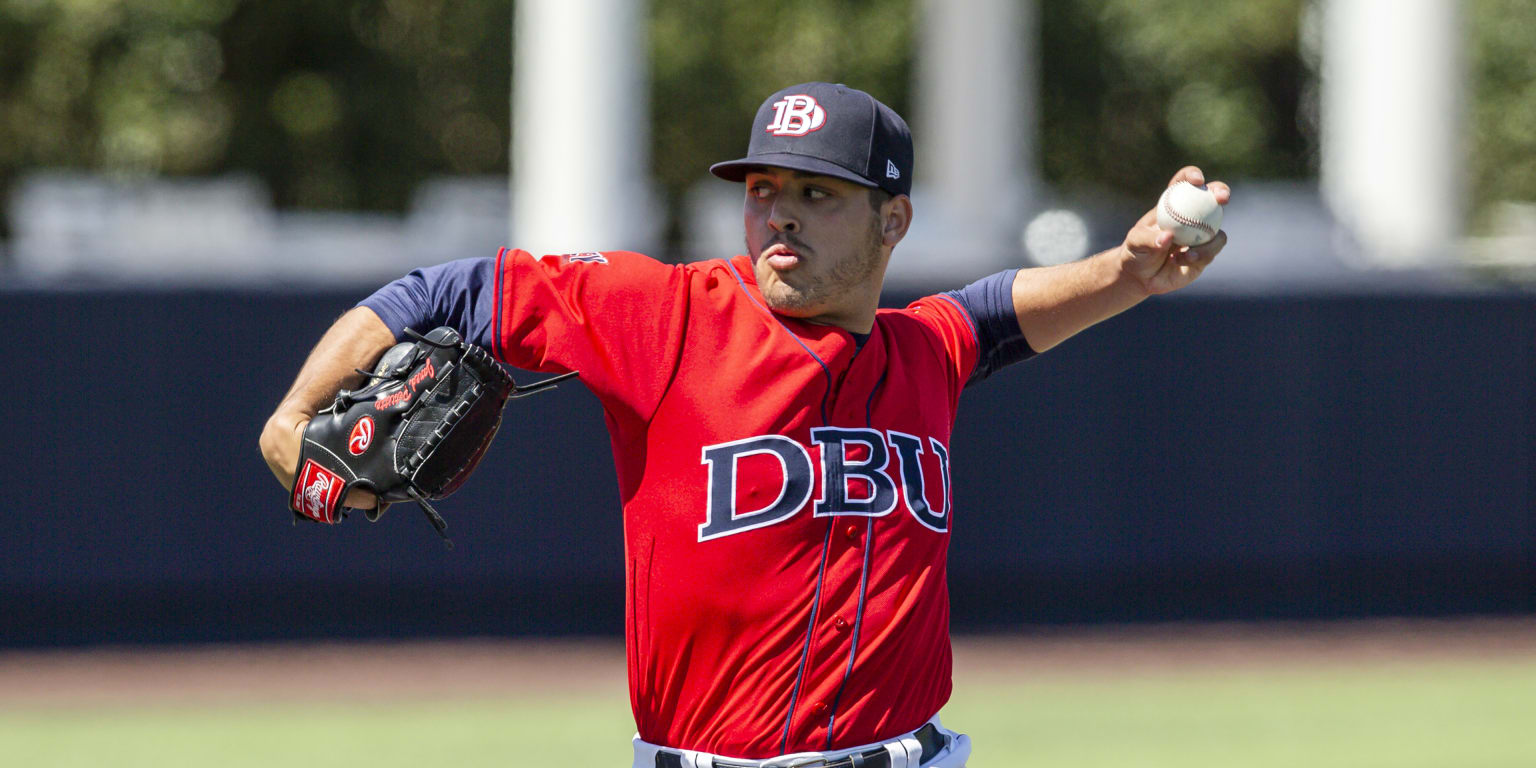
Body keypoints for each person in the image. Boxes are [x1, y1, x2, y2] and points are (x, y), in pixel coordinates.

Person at [260, 81, 1228, 768]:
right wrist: (295, 416)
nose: (780, 219)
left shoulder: (922, 352)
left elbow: (1001, 313)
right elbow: (451, 291)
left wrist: (1133, 270)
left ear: (894, 223)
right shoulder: (666, 315)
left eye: (817, 195)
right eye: (764, 192)